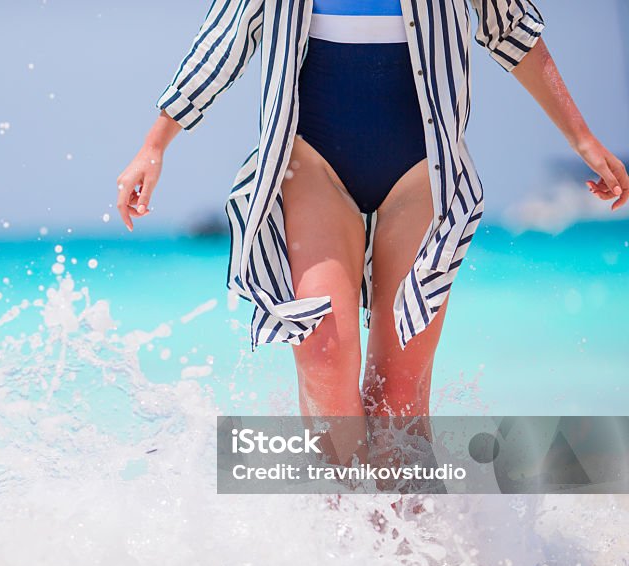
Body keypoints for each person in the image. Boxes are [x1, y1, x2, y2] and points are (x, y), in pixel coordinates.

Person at [115, 0, 627, 467]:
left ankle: (413, 556)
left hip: (424, 166)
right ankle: (342, 551)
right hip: (311, 162)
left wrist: (583, 139)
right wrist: (154, 144)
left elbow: (510, 28)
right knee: (323, 356)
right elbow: (224, 37)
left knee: (396, 398)